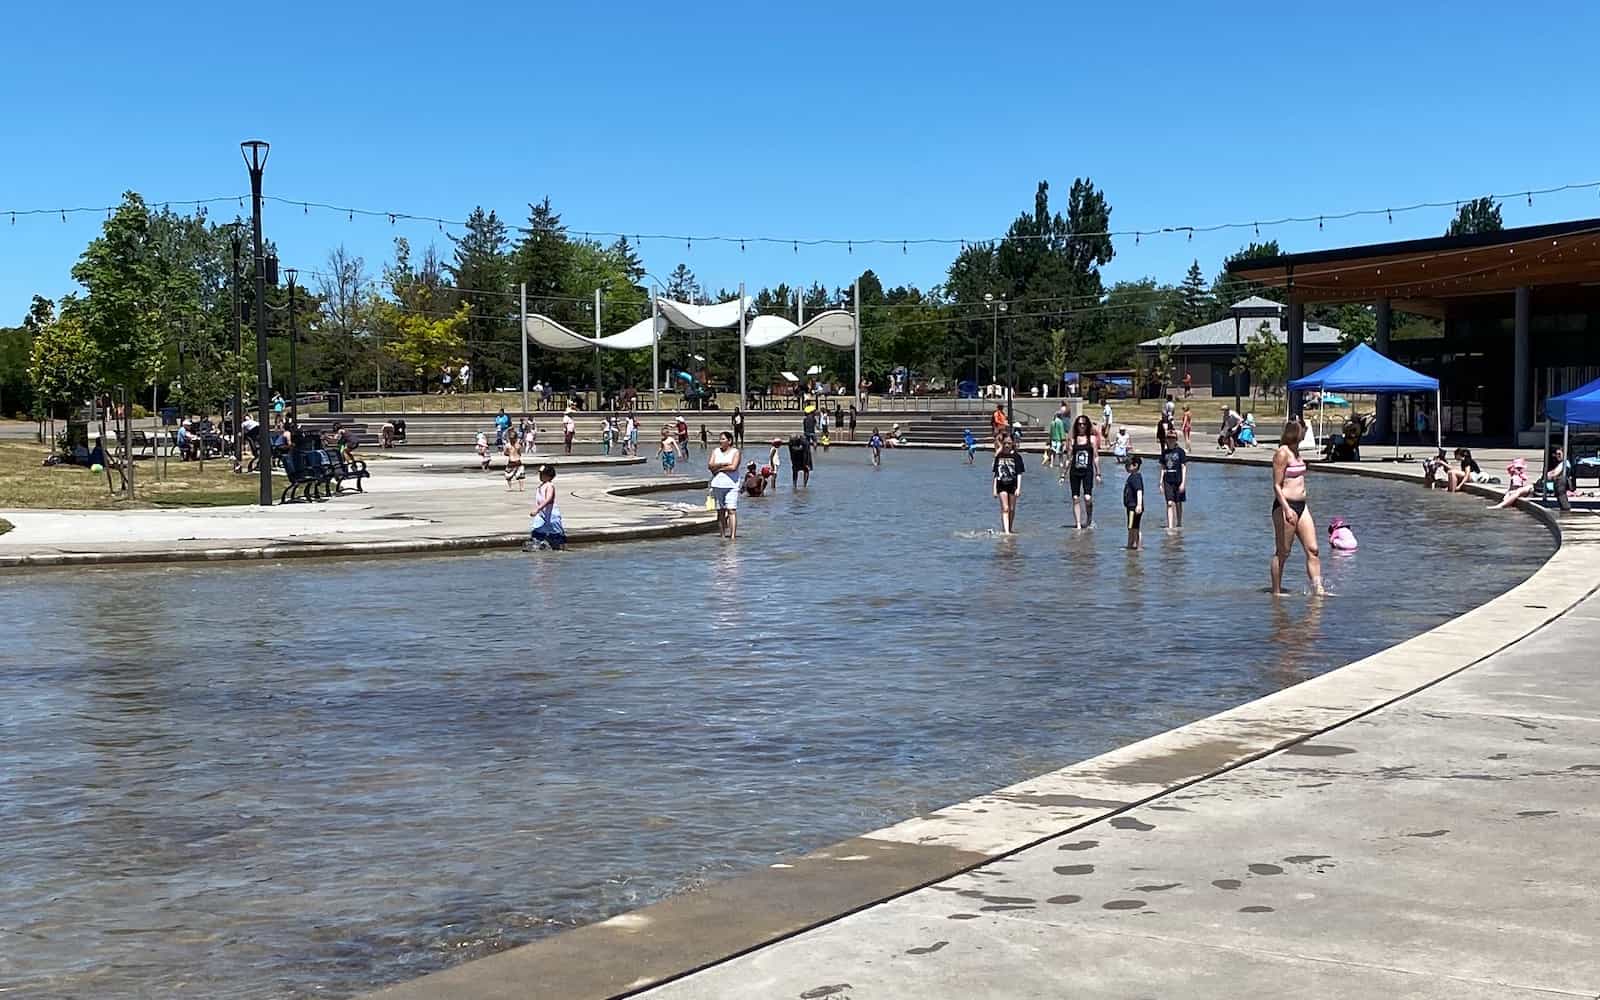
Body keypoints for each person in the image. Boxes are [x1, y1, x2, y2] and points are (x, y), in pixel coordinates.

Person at [1270, 419, 1324, 595]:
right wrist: (1286, 508)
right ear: (1295, 432)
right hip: (1286, 505)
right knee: (1283, 551)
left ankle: (1318, 590)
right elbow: (1277, 485)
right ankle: (1277, 592)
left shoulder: (1297, 451)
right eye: (1304, 430)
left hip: (1302, 506)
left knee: (1313, 549)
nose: (1306, 433)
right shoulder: (1282, 453)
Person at [1068, 414, 1100, 529]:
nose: (1082, 426)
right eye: (1079, 424)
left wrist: (1098, 473)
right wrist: (1063, 474)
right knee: (1075, 498)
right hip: (1074, 472)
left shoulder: (1091, 439)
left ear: (1087, 425)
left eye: (1084, 424)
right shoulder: (1072, 440)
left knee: (1087, 497)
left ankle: (1089, 518)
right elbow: (1069, 458)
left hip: (1087, 471)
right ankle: (1078, 524)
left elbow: (1095, 456)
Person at [708, 431, 742, 539]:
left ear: (729, 441)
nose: (720, 441)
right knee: (720, 511)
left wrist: (719, 469)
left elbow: (733, 467)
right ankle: (722, 535)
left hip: (731, 485)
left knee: (731, 510)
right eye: (720, 439)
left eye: (723, 439)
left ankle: (732, 536)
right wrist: (722, 464)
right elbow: (710, 465)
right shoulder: (716, 451)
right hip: (717, 484)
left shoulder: (735, 452)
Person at [992, 434, 1024, 534]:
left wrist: (1018, 488)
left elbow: (1019, 473)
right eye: (1005, 443)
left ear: (1013, 444)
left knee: (1011, 508)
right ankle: (1006, 532)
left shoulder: (1016, 456)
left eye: (1009, 443)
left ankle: (1009, 528)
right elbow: (996, 474)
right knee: (1005, 508)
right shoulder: (999, 456)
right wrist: (994, 489)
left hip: (1013, 485)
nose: (1006, 445)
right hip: (1001, 484)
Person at [529, 464, 565, 549]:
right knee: (537, 528)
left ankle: (559, 547)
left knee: (556, 532)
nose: (541, 476)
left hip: (551, 514)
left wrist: (537, 509)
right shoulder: (541, 486)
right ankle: (538, 544)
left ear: (549, 476)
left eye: (543, 474)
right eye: (540, 474)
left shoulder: (549, 485)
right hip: (542, 514)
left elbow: (548, 499)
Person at [1159, 432, 1188, 529]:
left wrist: (1183, 483)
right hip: (1167, 480)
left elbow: (1183, 467)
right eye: (1169, 438)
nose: (1171, 439)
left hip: (1178, 479)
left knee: (1178, 502)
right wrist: (1160, 483)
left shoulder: (1180, 452)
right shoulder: (1164, 453)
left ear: (1176, 439)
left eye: (1173, 438)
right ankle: (1170, 526)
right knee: (1169, 503)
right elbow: (1163, 467)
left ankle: (1179, 523)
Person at [1123, 454, 1145, 550]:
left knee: (1133, 528)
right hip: (1131, 507)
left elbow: (1139, 491)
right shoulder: (1132, 477)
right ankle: (1134, 545)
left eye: (1128, 465)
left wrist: (1139, 505)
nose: (1126, 467)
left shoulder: (1135, 477)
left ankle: (1134, 546)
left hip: (1134, 507)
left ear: (1135, 465)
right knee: (1132, 527)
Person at [1047, 408, 1067, 475]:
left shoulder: (1052, 422)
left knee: (1053, 453)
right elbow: (1061, 431)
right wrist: (1063, 440)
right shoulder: (1060, 422)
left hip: (1053, 439)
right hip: (1059, 440)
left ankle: (1052, 463)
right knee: (1060, 452)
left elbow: (1051, 432)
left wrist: (1050, 440)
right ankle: (1060, 463)